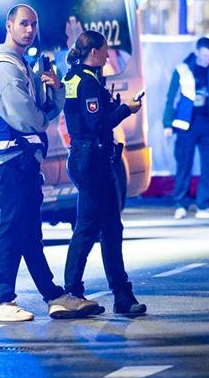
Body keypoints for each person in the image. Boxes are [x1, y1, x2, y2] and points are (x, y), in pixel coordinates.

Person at [0, 4, 103, 322]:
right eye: (23, 24)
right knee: (12, 226)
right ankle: (2, 301)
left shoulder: (22, 64)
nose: (29, 30)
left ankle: (54, 296)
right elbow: (30, 117)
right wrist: (42, 116)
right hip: (12, 156)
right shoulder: (3, 67)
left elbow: (45, 109)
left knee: (29, 232)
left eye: (33, 24)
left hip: (24, 157)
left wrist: (55, 89)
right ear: (9, 26)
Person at [60, 30, 147, 316]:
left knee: (110, 227)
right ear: (94, 52)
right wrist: (126, 109)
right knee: (89, 227)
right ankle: (72, 292)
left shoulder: (74, 78)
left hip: (87, 157)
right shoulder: (87, 82)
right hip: (93, 160)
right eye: (106, 50)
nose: (109, 55)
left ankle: (121, 294)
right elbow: (97, 123)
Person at [163, 37, 209, 220]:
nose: (207, 59)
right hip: (186, 125)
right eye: (204, 55)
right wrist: (167, 123)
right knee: (184, 164)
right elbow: (171, 97)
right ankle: (181, 204)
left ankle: (204, 205)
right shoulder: (182, 69)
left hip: (208, 123)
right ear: (197, 52)